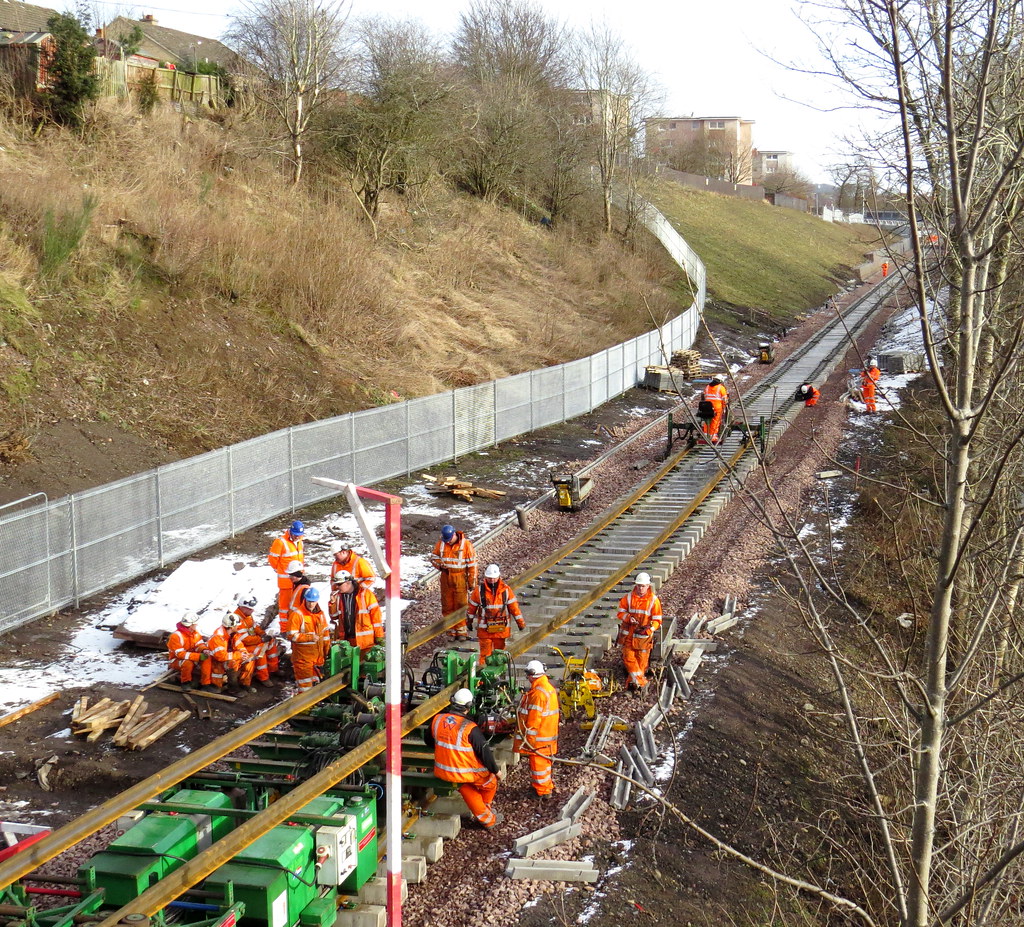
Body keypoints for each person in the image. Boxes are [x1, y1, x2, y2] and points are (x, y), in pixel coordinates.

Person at [423, 688, 503, 829]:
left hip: (442, 771)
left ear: (452, 702)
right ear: (468, 706)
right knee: (490, 782)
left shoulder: (437, 719)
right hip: (463, 773)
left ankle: (485, 813)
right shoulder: (469, 728)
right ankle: (488, 818)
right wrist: (496, 771)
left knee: (466, 788)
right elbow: (484, 752)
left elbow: (429, 741)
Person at [513, 660, 560, 800]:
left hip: (539, 739)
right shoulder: (545, 688)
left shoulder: (538, 694)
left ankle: (543, 792)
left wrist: (528, 742)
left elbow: (533, 721)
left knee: (538, 765)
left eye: (527, 674)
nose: (527, 677)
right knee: (544, 765)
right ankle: (545, 786)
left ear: (532, 674)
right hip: (547, 735)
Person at [467, 564, 525, 667]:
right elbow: (472, 608)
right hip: (485, 630)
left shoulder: (506, 591)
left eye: (494, 578)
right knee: (485, 655)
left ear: (498, 577)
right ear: (486, 577)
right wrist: (469, 622)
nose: (492, 580)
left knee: (499, 655)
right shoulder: (479, 591)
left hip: (500, 630)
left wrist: (520, 623)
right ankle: (484, 677)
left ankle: (498, 673)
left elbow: (514, 608)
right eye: (489, 578)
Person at [616, 572, 663, 691]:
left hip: (644, 638)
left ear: (648, 586)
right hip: (629, 635)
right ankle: (641, 683)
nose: (640, 588)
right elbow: (620, 612)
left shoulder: (653, 600)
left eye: (643, 586)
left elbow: (657, 620)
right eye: (639, 586)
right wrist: (628, 618)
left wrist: (649, 629)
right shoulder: (628, 598)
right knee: (628, 658)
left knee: (641, 663)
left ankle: (633, 685)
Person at [430, 524, 478, 641]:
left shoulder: (466, 545)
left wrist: (472, 582)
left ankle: (461, 631)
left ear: (454, 535)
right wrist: (440, 565)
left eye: (449, 539)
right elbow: (433, 557)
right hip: (446, 577)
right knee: (447, 604)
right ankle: (451, 631)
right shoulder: (441, 543)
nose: (448, 542)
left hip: (460, 578)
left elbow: (472, 565)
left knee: (460, 604)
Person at [286, 586, 330, 691]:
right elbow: (291, 635)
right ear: (305, 599)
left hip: (317, 658)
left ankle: (314, 705)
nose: (311, 604)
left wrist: (327, 651)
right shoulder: (297, 615)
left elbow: (325, 635)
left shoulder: (320, 615)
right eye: (309, 601)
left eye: (313, 602)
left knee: (316, 685)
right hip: (303, 659)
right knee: (305, 688)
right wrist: (309, 637)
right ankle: (305, 707)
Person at [329, 569, 384, 653]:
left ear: (348, 583)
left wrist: (379, 636)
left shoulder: (365, 594)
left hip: (365, 643)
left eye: (339, 584)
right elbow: (334, 616)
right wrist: (332, 603)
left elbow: (376, 617)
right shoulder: (339, 597)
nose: (337, 587)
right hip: (347, 642)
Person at [204, 613, 257, 695]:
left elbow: (240, 646)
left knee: (250, 659)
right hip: (216, 662)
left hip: (230, 657)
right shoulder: (217, 637)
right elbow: (220, 656)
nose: (238, 627)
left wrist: (244, 653)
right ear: (231, 627)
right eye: (237, 626)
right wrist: (238, 655)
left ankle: (244, 684)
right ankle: (233, 688)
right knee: (232, 663)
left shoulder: (234, 634)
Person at [232, 595, 278, 685]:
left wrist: (262, 634)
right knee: (259, 650)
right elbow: (245, 639)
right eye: (250, 609)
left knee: (271, 642)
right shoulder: (237, 619)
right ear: (242, 607)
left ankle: (273, 669)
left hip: (252, 641)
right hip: (242, 646)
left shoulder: (247, 615)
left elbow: (254, 627)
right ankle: (263, 677)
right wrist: (261, 639)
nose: (252, 610)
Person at [269, 520, 305, 627]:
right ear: (290, 532)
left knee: (297, 605)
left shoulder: (300, 541)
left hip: (298, 581)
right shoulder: (280, 542)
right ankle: (284, 629)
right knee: (285, 608)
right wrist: (281, 571)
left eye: (299, 535)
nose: (297, 537)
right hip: (286, 583)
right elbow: (272, 560)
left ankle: (295, 626)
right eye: (295, 535)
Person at [167, 612, 212, 690]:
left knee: (207, 659)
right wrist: (198, 656)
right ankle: (185, 682)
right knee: (187, 663)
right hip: (176, 660)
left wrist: (204, 650)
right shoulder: (176, 636)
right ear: (191, 625)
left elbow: (199, 644)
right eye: (195, 624)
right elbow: (180, 654)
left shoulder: (195, 633)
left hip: (192, 657)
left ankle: (206, 683)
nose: (197, 625)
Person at [699, 376, 729, 444]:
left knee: (707, 421)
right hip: (717, 407)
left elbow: (705, 396)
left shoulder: (707, 387)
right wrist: (724, 407)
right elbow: (724, 399)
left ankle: (706, 435)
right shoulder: (721, 388)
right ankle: (713, 436)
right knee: (715, 421)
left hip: (706, 406)